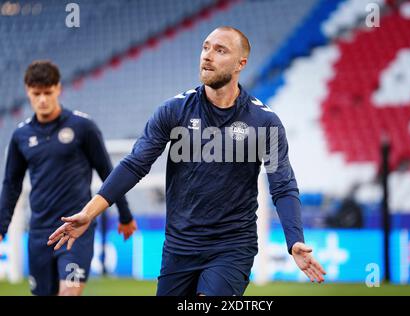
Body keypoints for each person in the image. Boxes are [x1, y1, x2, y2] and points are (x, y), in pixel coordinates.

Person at [48, 27, 326, 296]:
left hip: (231, 246)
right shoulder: (173, 111)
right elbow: (135, 164)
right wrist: (89, 212)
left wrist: (295, 241)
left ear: (240, 63)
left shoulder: (264, 122)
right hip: (179, 246)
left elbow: (283, 185)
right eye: (205, 47)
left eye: (220, 50)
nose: (207, 55)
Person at [0, 61, 137, 296]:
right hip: (40, 232)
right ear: (28, 92)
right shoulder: (21, 136)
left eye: (48, 92)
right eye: (36, 94)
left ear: (58, 89)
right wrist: (1, 227)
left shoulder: (82, 127)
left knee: (69, 293)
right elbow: (11, 185)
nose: (42, 99)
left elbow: (109, 173)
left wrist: (125, 215)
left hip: (76, 227)